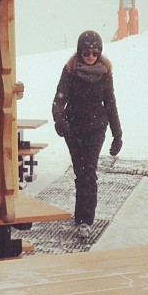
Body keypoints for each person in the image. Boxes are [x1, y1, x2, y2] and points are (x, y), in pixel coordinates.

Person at [52, 30, 123, 238]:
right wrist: (60, 120)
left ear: (100, 52)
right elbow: (59, 100)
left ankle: (85, 220)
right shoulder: (70, 70)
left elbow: (110, 103)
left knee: (89, 172)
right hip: (73, 128)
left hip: (95, 128)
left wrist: (117, 133)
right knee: (80, 172)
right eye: (86, 52)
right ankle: (80, 214)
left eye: (95, 52)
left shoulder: (105, 72)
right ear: (79, 52)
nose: (91, 56)